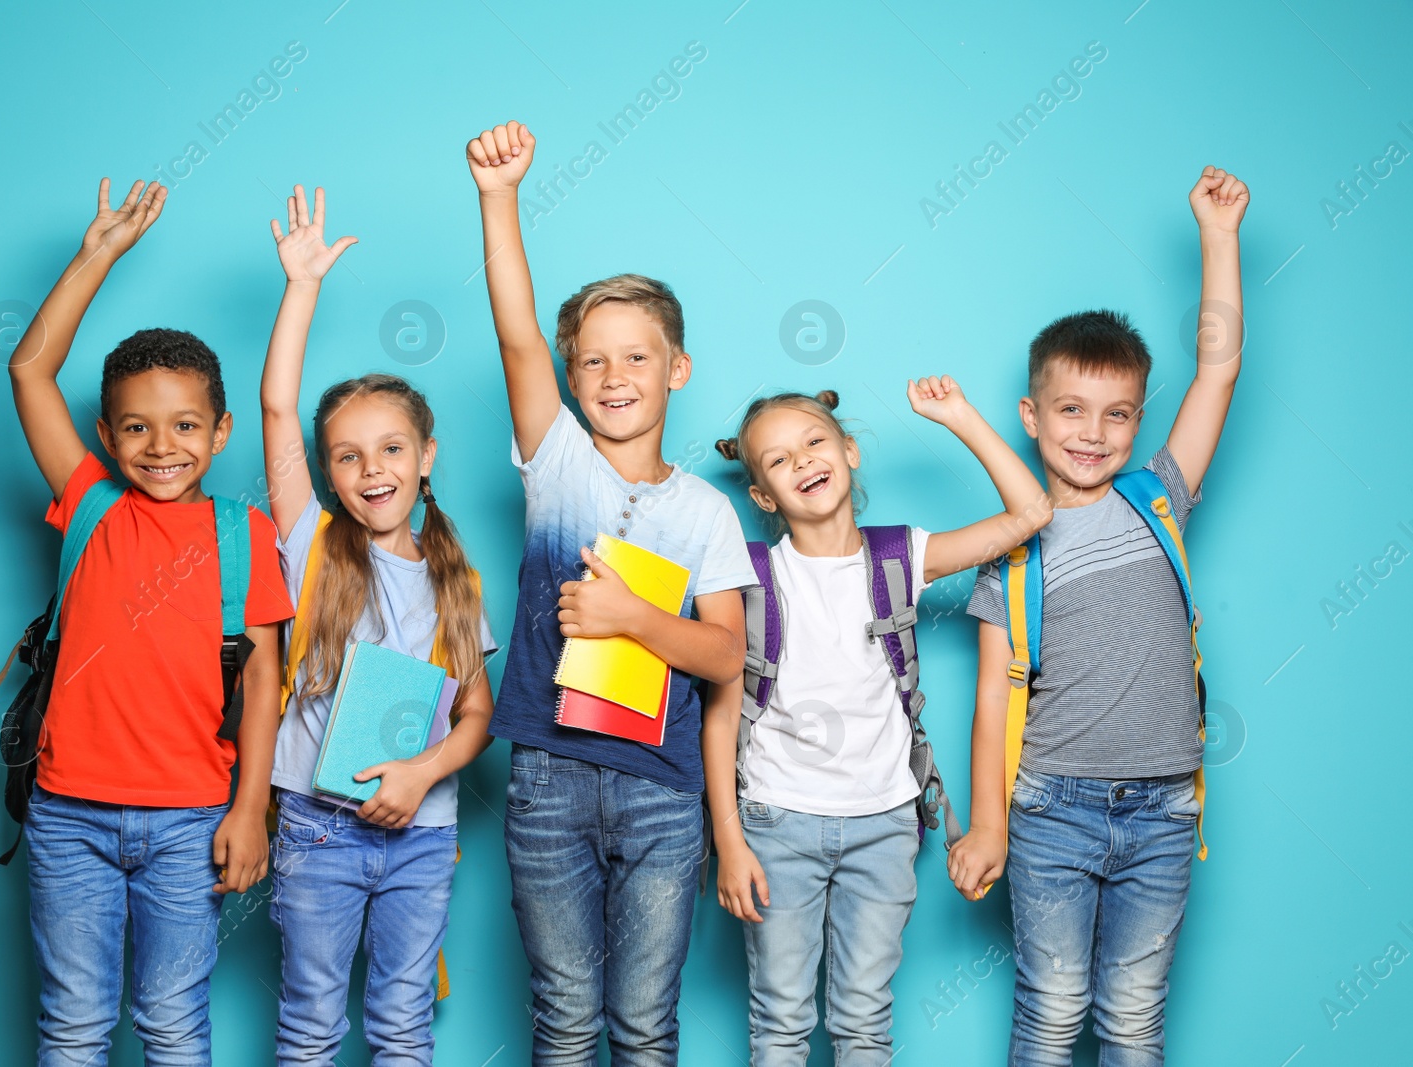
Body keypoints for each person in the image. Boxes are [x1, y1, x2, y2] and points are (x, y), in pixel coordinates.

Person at [467, 120, 757, 1065]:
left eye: (636, 357)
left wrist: (633, 617)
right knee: (562, 1019)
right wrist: (499, 198)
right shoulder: (558, 466)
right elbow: (515, 335)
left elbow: (727, 658)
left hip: (664, 790)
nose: (613, 376)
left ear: (676, 370)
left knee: (642, 1024)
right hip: (548, 776)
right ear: (570, 378)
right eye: (592, 359)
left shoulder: (708, 512)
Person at [948, 166, 1250, 1066]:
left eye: (1117, 414)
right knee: (1051, 1014)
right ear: (1030, 416)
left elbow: (1221, 365)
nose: (1093, 432)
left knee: (1131, 1020)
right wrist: (988, 822)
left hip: (1164, 811)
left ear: (1138, 421)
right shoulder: (1012, 550)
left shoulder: (1160, 498)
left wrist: (1218, 235)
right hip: (1051, 810)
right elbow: (995, 701)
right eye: (1071, 411)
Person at [7, 178, 293, 1066]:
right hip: (68, 815)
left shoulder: (244, 536)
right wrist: (100, 252)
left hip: (190, 819)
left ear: (221, 432)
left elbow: (263, 684)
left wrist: (252, 809)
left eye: (183, 425)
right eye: (135, 427)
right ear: (105, 432)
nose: (160, 446)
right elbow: (27, 370)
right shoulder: (89, 503)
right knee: (75, 1025)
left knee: (173, 1025)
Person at [705, 381, 1051, 1065]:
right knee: (780, 1021)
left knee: (864, 1020)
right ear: (763, 497)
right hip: (775, 821)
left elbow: (1031, 511)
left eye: (813, 441)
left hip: (885, 824)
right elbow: (718, 718)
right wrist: (729, 840)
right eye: (777, 460)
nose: (802, 460)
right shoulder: (747, 574)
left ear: (849, 450)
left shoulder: (900, 555)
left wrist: (959, 416)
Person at [258, 186, 498, 1066]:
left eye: (392, 448)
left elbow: (477, 714)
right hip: (316, 827)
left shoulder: (458, 580)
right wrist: (302, 286)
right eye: (348, 455)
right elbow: (277, 410)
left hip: (422, 831)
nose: (372, 469)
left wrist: (423, 772)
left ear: (427, 456)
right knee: (312, 1022)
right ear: (326, 473)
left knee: (402, 1024)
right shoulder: (311, 546)